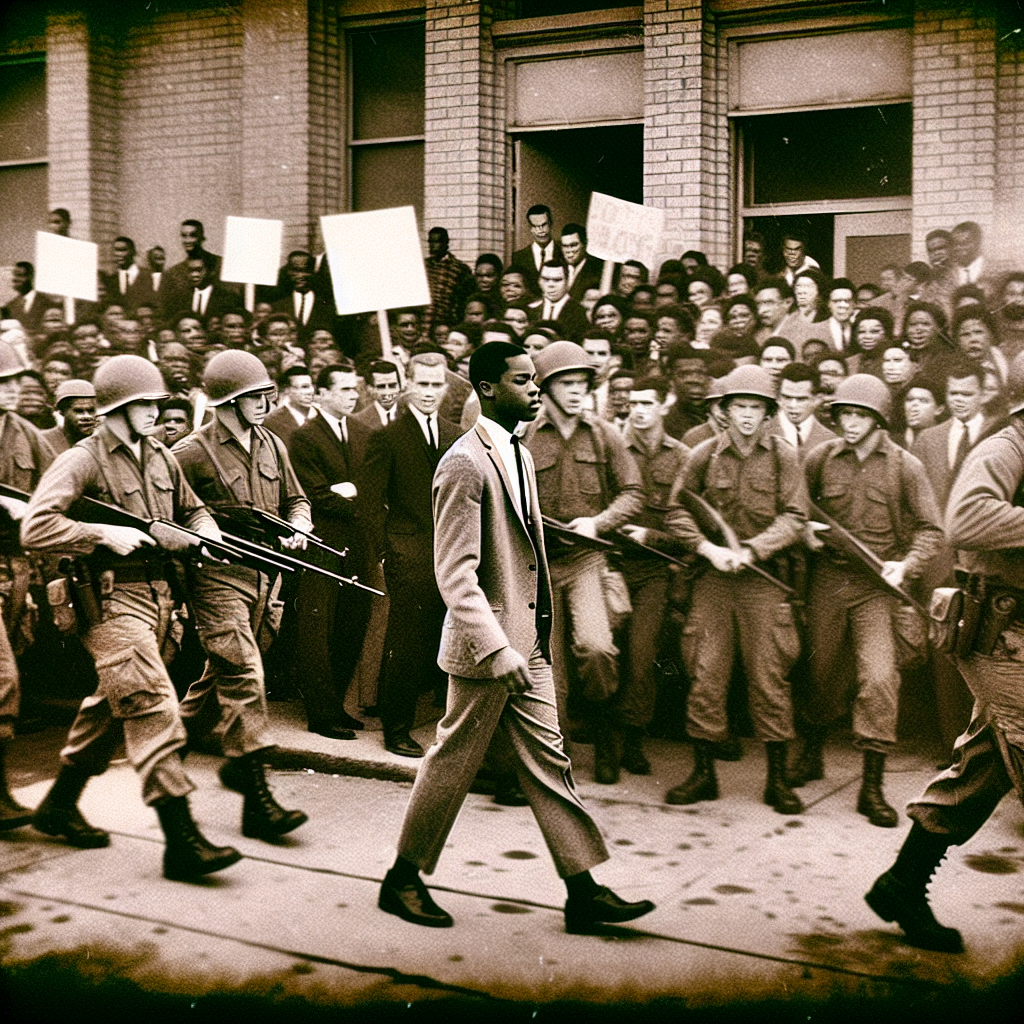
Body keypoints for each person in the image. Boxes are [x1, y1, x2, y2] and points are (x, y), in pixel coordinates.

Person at [378, 340, 655, 934]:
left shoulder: (518, 454)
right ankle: (401, 880)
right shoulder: (463, 462)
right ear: (485, 388)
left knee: (550, 763)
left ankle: (583, 891)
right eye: (522, 380)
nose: (535, 388)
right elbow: (454, 573)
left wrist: (528, 638)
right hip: (489, 650)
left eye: (536, 379)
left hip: (525, 640)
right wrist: (497, 647)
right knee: (452, 760)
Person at [21, 355, 242, 881]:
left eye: (156, 403)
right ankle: (181, 840)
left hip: (158, 599)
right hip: (107, 599)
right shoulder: (84, 458)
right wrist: (100, 534)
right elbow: (36, 526)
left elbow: (190, 510)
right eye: (144, 404)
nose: (154, 411)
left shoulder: (159, 456)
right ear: (117, 407)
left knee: (111, 702)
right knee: (150, 705)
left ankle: (57, 804)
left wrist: (205, 530)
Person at [865, 353, 1024, 955]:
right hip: (1000, 639)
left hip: (1015, 638)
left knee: (981, 768)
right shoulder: (1006, 447)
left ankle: (903, 884)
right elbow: (968, 516)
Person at [171, 350, 310, 842]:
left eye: (266, 394)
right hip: (216, 578)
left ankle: (165, 758)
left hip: (262, 578)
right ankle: (257, 799)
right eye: (254, 395)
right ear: (227, 400)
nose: (264, 402)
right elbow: (173, 514)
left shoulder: (272, 443)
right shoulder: (190, 451)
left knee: (223, 675)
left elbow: (296, 498)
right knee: (245, 673)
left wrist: (298, 526)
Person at [796, 375, 943, 826]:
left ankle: (872, 785)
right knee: (820, 672)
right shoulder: (819, 458)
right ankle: (812, 750)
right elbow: (796, 511)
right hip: (827, 581)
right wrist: (806, 533)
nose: (851, 423)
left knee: (879, 678)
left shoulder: (904, 466)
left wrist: (906, 565)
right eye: (845, 415)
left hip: (877, 588)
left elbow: (931, 531)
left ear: (879, 419)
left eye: (861, 415)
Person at [661, 365, 807, 815]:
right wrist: (707, 549)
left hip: (762, 584)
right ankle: (703, 774)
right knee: (706, 674)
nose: (747, 416)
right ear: (724, 411)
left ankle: (777, 780)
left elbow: (795, 518)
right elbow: (677, 512)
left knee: (769, 679)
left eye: (756, 408)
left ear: (768, 414)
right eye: (739, 406)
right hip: (713, 582)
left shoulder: (784, 456)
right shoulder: (703, 454)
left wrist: (756, 550)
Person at [522, 342, 643, 783]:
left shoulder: (604, 434)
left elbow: (633, 494)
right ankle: (560, 757)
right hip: (538, 565)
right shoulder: (526, 435)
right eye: (566, 384)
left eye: (582, 384)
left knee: (596, 649)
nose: (576, 392)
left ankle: (605, 730)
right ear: (546, 387)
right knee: (548, 670)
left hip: (587, 560)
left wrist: (599, 522)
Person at [358, 351, 461, 757]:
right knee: (407, 641)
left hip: (453, 552)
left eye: (437, 385)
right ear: (407, 386)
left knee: (446, 639)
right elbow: (369, 503)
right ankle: (396, 726)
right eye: (422, 384)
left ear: (446, 388)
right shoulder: (387, 436)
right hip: (408, 554)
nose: (429, 392)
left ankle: (442, 723)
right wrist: (386, 552)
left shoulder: (456, 434)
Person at [288, 362, 375, 740]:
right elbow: (316, 495)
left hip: (358, 542)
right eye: (343, 390)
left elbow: (371, 486)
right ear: (322, 394)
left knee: (351, 624)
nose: (352, 396)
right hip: (322, 543)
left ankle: (337, 704)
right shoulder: (304, 437)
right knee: (317, 629)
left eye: (354, 389)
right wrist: (356, 496)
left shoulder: (363, 432)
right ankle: (320, 713)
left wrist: (353, 491)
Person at [615, 375, 690, 777]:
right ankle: (605, 736)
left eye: (648, 403)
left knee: (642, 658)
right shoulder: (612, 445)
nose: (639, 410)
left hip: (655, 570)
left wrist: (650, 535)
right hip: (609, 562)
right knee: (603, 653)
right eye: (634, 402)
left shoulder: (682, 457)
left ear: (665, 404)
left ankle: (631, 737)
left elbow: (688, 530)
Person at [510, 204, 561, 293]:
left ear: (551, 224)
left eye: (544, 225)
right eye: (535, 226)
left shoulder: (564, 252)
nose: (540, 230)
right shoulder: (519, 257)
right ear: (530, 228)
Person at [41, 379, 97, 455]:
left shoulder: (103, 442)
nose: (87, 416)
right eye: (78, 411)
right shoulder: (42, 441)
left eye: (91, 411)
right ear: (62, 411)